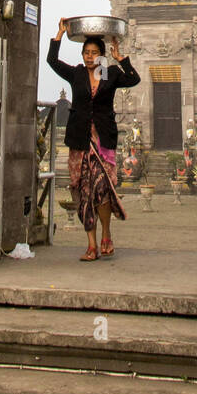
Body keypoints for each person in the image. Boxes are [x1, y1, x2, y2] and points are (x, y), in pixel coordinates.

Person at [47, 18, 141, 261]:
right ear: (82, 54)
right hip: (79, 141)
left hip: (103, 142)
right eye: (86, 53)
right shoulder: (76, 74)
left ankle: (106, 233)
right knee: (83, 192)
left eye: (94, 53)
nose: (90, 57)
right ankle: (91, 244)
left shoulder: (109, 75)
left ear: (101, 56)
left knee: (101, 190)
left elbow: (133, 79)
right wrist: (59, 34)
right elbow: (52, 62)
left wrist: (120, 57)